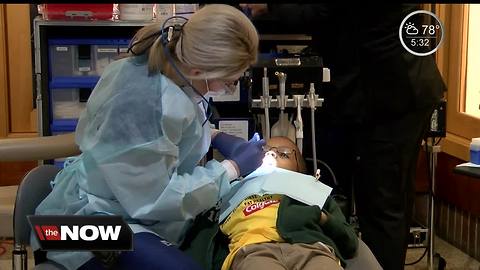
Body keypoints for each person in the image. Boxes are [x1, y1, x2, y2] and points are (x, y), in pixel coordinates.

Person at [31, 4, 265, 270]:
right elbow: (156, 198)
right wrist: (231, 168)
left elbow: (159, 139)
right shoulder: (144, 101)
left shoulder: (176, 71)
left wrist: (215, 135)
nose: (228, 87)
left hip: (127, 210)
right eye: (229, 81)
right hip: (72, 227)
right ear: (200, 71)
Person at [240, 4, 446, 270]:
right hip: (369, 86)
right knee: (356, 195)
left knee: (383, 202)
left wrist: (267, 6)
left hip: (389, 92)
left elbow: (321, 10)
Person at [181, 136, 360, 270]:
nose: (271, 153)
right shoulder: (231, 190)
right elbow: (202, 237)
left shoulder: (313, 191)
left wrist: (321, 217)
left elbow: (349, 241)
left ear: (301, 170)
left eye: (283, 153)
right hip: (254, 249)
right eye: (264, 151)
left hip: (311, 247)